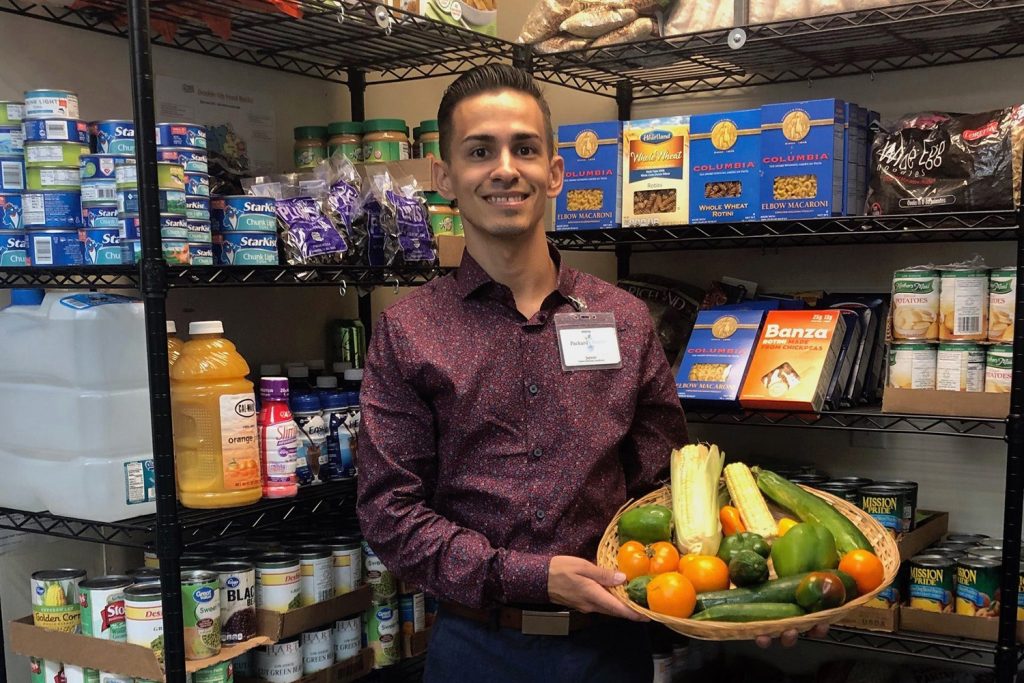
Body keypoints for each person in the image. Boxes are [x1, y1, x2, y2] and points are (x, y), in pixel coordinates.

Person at [356, 64, 821, 683]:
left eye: (525, 148)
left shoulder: (624, 320)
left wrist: (763, 584)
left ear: (554, 171)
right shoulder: (409, 330)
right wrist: (529, 576)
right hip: (475, 651)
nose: (504, 168)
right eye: (479, 151)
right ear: (444, 178)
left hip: (609, 650)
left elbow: (670, 487)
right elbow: (390, 514)